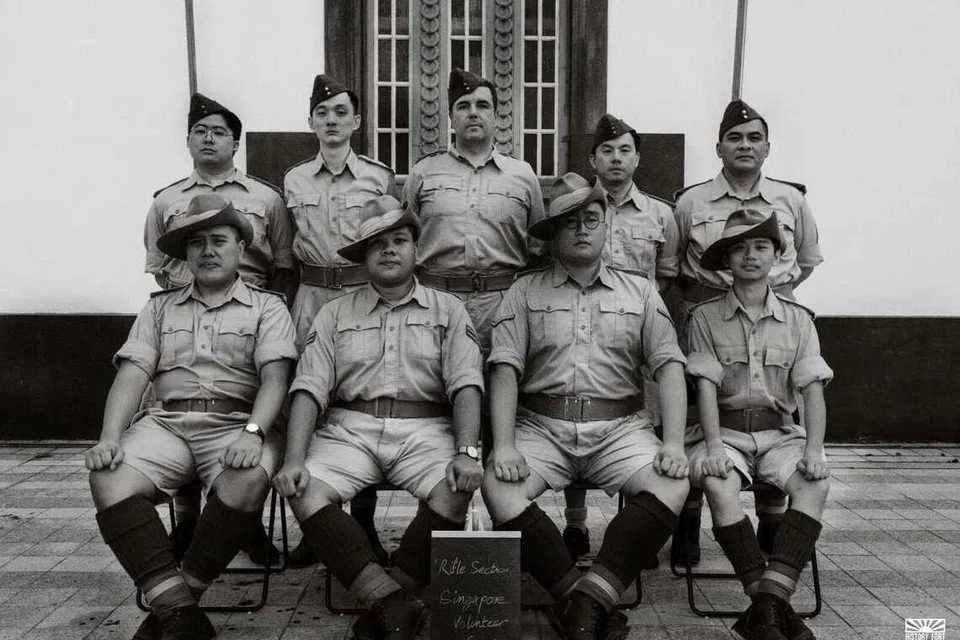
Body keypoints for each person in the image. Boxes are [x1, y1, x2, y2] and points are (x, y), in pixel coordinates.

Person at [481, 173, 689, 640]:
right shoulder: (524, 291)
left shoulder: (640, 292)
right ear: (553, 234)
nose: (581, 229)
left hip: (619, 427)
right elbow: (505, 369)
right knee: (498, 487)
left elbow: (669, 366)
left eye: (591, 220)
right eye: (569, 221)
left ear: (606, 228)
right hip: (542, 426)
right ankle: (583, 599)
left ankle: (587, 602)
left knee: (672, 484)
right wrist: (506, 444)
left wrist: (674, 441)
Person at [86, 193, 297, 639]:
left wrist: (255, 433)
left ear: (242, 248)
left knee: (247, 480)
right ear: (185, 255)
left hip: (236, 425)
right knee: (109, 476)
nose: (208, 250)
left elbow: (276, 379)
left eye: (219, 240)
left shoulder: (268, 307)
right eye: (196, 242)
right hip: (167, 424)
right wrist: (110, 436)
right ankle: (180, 613)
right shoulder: (159, 308)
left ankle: (178, 601)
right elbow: (133, 373)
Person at [273, 195, 484, 640]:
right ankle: (391, 601)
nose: (389, 249)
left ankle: (392, 600)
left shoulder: (449, 310)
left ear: (415, 250)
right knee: (303, 487)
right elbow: (309, 387)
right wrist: (293, 458)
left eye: (399, 240)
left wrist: (466, 451)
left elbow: (466, 383)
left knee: (456, 489)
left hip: (425, 430)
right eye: (377, 243)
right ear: (363, 255)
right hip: (351, 431)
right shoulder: (333, 314)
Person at [143, 92, 293, 567]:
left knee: (251, 417)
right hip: (182, 322)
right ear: (188, 139)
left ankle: (244, 525)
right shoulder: (166, 200)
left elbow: (285, 263)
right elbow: (157, 266)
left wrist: (269, 318)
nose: (209, 139)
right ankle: (187, 521)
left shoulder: (265, 197)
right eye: (200, 131)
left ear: (236, 143)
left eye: (220, 132)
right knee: (178, 412)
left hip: (250, 322)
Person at [672, 99, 824, 565]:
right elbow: (675, 266)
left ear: (767, 147)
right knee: (700, 415)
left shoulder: (791, 199)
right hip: (705, 316)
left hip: (775, 318)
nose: (744, 145)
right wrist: (711, 308)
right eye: (735, 138)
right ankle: (688, 522)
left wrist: (771, 296)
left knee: (775, 403)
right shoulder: (691, 201)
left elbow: (807, 261)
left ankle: (773, 523)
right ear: (718, 147)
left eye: (754, 137)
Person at [684, 209, 831, 640]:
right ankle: (768, 603)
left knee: (815, 484)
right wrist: (711, 447)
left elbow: (812, 391)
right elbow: (706, 389)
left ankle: (765, 608)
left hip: (779, 433)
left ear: (777, 255)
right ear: (726, 260)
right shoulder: (704, 318)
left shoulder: (799, 319)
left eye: (761, 246)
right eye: (740, 248)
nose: (750, 255)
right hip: (724, 432)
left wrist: (814, 451)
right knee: (719, 482)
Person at [282, 73, 398, 568]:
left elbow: (386, 237)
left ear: (356, 121)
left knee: (359, 395)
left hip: (358, 292)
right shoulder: (293, 179)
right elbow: (285, 253)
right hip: (311, 294)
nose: (331, 122)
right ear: (311, 122)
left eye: (341, 113)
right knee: (313, 400)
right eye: (322, 114)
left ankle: (365, 520)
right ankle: (318, 520)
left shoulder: (377, 176)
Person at [560, 114, 682, 561]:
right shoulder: (576, 208)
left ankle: (634, 526)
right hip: (576, 325)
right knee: (574, 414)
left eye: (624, 150)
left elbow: (666, 275)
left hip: (636, 334)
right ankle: (575, 524)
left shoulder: (660, 214)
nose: (616, 158)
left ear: (637, 157)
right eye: (607, 151)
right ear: (592, 159)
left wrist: (635, 313)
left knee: (637, 427)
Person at [403, 67, 546, 353]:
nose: (473, 113)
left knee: (501, 383)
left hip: (502, 303)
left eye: (482, 105)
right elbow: (405, 240)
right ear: (451, 117)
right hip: (437, 299)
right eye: (463, 106)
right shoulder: (423, 172)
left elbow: (539, 250)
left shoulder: (523, 175)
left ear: (496, 116)